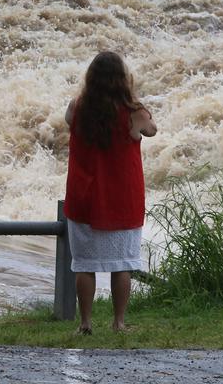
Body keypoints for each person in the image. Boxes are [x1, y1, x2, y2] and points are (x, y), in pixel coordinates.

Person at [63, 51, 156, 334]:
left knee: (84, 265)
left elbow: (69, 121)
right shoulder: (134, 113)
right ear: (121, 79)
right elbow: (152, 130)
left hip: (85, 197)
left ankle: (86, 323)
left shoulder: (77, 106)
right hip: (121, 199)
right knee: (122, 265)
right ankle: (118, 322)